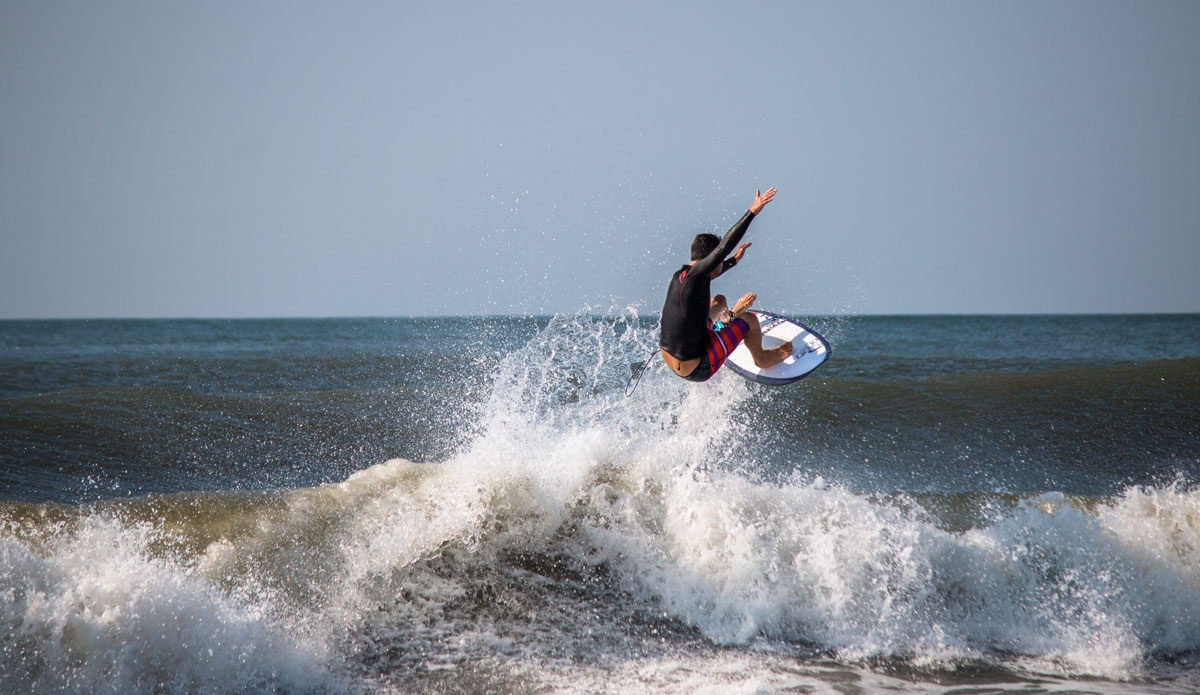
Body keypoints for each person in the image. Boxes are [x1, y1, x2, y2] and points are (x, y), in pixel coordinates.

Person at [660, 187, 793, 382]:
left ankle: (727, 319)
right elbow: (723, 249)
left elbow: (714, 270)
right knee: (749, 320)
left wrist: (732, 262)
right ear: (709, 259)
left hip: (671, 357)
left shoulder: (682, 276)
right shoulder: (699, 275)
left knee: (719, 301)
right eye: (718, 261)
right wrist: (753, 211)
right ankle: (761, 358)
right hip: (696, 368)